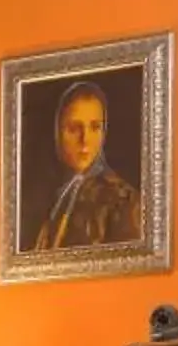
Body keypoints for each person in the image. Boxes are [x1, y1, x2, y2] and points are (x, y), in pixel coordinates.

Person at [30, 80, 141, 251]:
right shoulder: (51, 197)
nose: (85, 140)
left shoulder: (123, 201)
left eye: (95, 127)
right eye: (74, 128)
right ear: (57, 132)